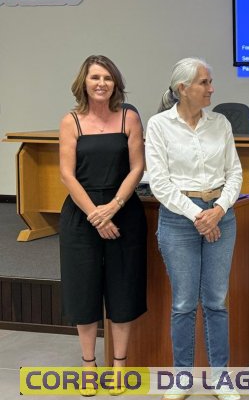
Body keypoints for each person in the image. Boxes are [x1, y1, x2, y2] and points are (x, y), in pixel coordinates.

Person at [145, 58, 243, 400]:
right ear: (183, 88)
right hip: (179, 219)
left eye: (210, 81)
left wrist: (218, 210)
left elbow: (235, 173)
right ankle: (182, 378)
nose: (211, 88)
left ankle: (221, 378)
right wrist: (198, 216)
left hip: (220, 216)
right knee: (184, 303)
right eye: (204, 82)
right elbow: (159, 183)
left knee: (216, 301)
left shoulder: (221, 123)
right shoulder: (159, 125)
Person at [59, 55, 147, 397]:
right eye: (95, 77)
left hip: (123, 211)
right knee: (83, 291)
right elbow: (67, 174)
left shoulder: (129, 117)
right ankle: (89, 366)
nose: (101, 83)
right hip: (82, 216)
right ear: (84, 82)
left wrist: (112, 207)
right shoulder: (71, 121)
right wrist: (96, 215)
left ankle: (119, 366)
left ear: (116, 83)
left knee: (123, 290)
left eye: (108, 78)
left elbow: (137, 168)